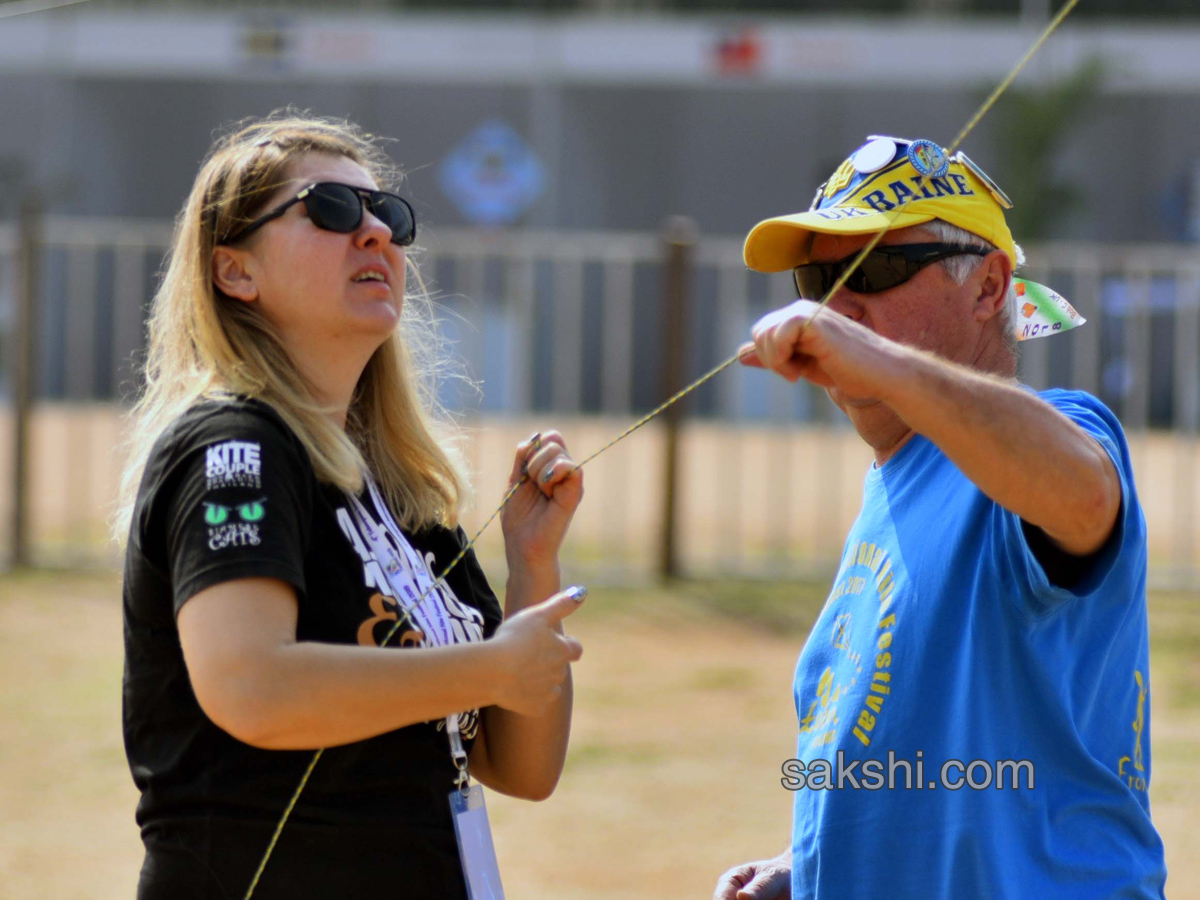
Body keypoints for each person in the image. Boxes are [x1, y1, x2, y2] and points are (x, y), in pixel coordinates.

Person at [115, 112, 586, 899]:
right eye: (331, 211)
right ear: (235, 272)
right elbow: (252, 688)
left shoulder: (400, 486)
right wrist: (488, 666)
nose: (375, 235)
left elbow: (523, 768)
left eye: (388, 215)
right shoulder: (236, 446)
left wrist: (532, 566)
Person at [713, 136, 1167, 900]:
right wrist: (810, 871)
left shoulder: (1054, 430)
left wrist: (876, 359)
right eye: (819, 277)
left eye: (877, 270)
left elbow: (1085, 495)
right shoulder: (893, 488)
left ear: (991, 286)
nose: (836, 304)